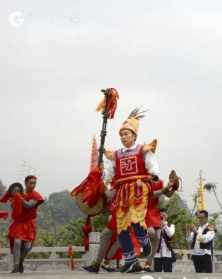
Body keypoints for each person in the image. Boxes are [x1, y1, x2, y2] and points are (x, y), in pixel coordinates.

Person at [0, 176, 44, 273]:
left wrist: (18, 197)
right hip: (19, 223)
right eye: (31, 183)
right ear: (25, 183)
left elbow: (28, 205)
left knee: (27, 247)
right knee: (17, 242)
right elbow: (13, 205)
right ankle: (15, 266)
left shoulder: (36, 196)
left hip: (29, 223)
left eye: (34, 183)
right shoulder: (18, 193)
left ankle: (20, 261)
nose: (33, 185)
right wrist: (15, 199)